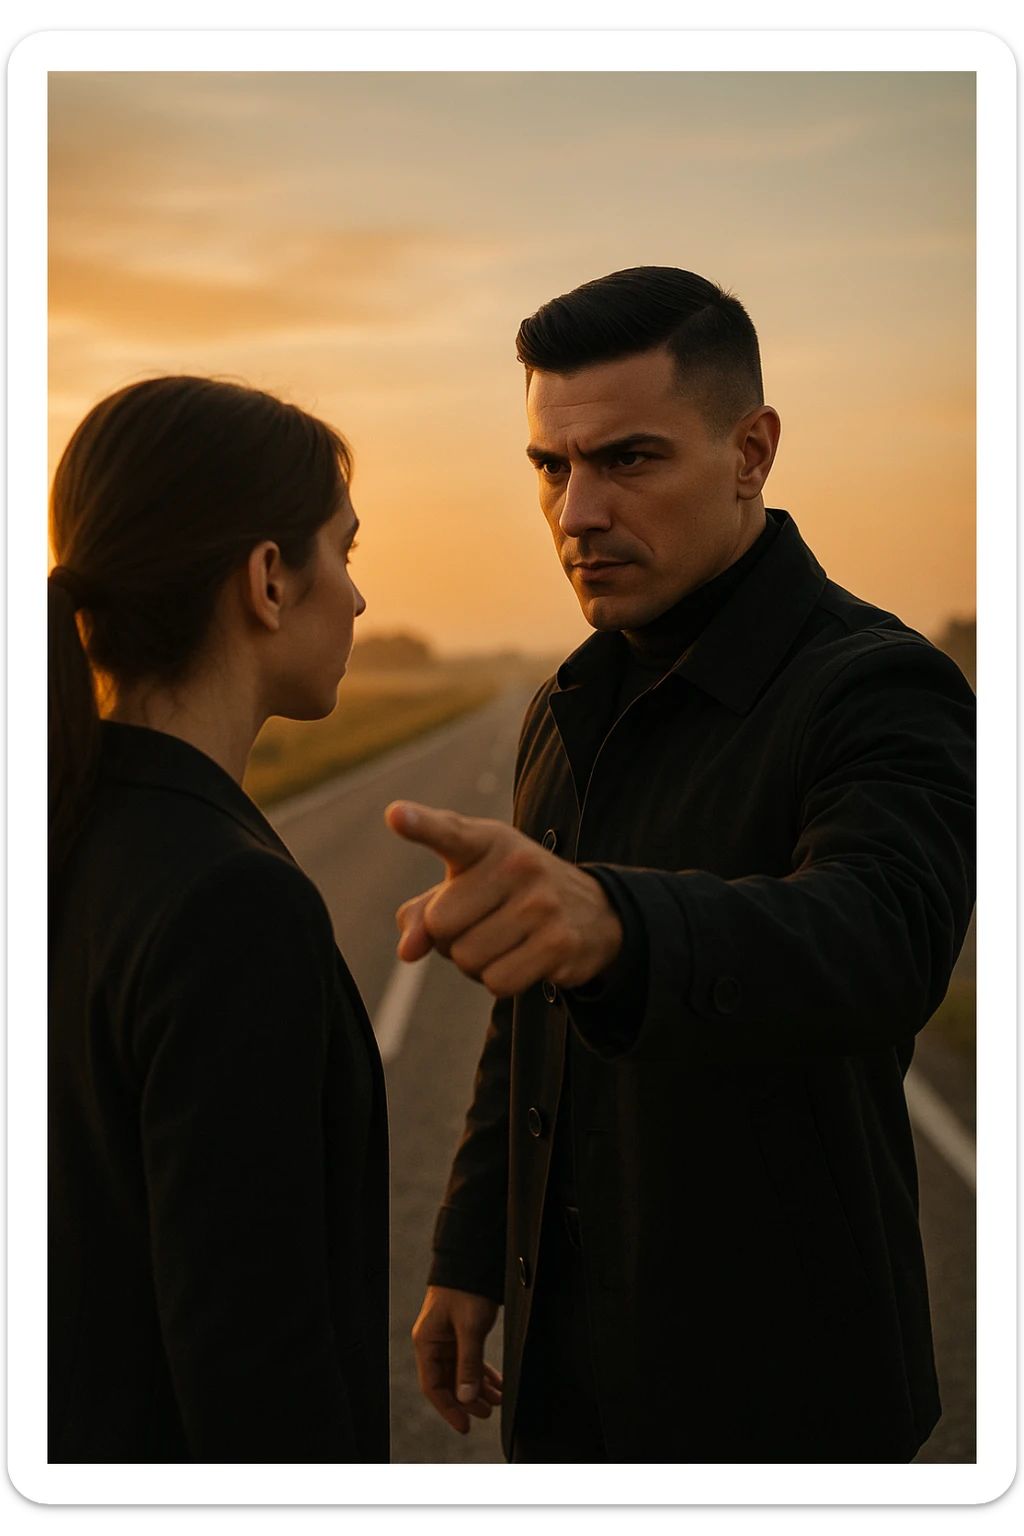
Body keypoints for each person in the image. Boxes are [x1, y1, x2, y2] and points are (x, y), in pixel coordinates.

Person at [385, 267, 976, 1463]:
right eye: (550, 466)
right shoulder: (565, 702)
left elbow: (881, 938)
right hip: (567, 1382)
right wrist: (468, 1252)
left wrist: (618, 925)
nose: (575, 513)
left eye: (628, 460)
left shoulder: (876, 683)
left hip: (783, 1400)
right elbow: (530, 1008)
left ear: (750, 452)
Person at [48, 376, 390, 1463]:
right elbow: (258, 1378)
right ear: (268, 580)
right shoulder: (231, 902)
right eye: (346, 550)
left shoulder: (68, 833)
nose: (359, 599)